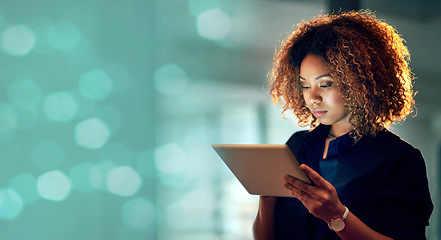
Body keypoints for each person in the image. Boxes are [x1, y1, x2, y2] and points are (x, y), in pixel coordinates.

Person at [253, 10, 433, 240]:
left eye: (325, 84)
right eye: (305, 85)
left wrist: (337, 215)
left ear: (360, 83)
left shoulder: (398, 159)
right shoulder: (297, 146)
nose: (313, 97)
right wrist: (266, 201)